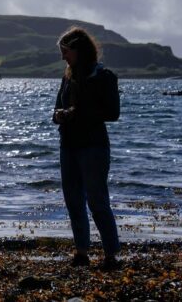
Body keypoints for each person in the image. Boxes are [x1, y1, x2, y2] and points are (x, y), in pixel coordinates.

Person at [53, 26, 121, 270]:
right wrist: (60, 115)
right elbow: (55, 110)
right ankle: (82, 252)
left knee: (97, 201)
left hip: (94, 146)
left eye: (66, 52)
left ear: (79, 51)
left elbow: (113, 113)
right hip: (68, 145)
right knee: (73, 201)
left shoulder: (105, 77)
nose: (63, 57)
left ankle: (111, 254)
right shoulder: (67, 77)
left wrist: (78, 112)